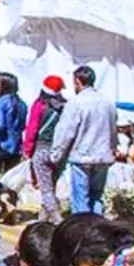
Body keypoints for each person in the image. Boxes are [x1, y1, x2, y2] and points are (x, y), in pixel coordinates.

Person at [48, 66, 116, 217]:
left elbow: (65, 131)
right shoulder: (108, 103)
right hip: (103, 156)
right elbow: (113, 129)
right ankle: (97, 227)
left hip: (82, 156)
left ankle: (82, 230)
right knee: (96, 197)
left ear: (78, 81)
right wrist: (113, 149)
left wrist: (56, 154)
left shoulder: (76, 103)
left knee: (81, 199)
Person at [24, 76, 67, 223]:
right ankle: (42, 220)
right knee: (51, 185)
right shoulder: (65, 106)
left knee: (45, 188)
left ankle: (57, 220)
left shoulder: (39, 105)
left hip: (41, 149)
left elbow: (32, 129)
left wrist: (27, 151)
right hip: (60, 151)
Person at [0, 74, 27, 209]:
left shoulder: (0, 102)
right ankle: (11, 204)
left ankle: (2, 200)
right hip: (16, 146)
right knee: (12, 179)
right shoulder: (22, 104)